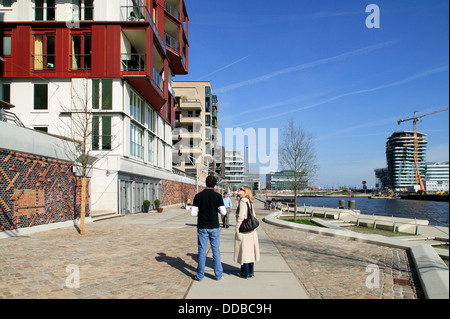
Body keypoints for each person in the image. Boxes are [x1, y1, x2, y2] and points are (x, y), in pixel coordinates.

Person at [191, 176, 227, 281]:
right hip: (214, 226)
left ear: (205, 183)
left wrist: (201, 213)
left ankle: (200, 275)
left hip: (202, 226)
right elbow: (223, 212)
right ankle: (218, 275)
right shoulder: (218, 196)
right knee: (216, 251)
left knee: (202, 251)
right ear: (215, 184)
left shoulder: (198, 196)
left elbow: (193, 213)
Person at [234, 186, 260, 279]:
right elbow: (253, 215)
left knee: (244, 251)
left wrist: (237, 230)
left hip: (244, 230)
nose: (239, 190)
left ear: (245, 192)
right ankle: (250, 272)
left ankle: (244, 273)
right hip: (251, 230)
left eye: (241, 189)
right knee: (250, 252)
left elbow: (241, 217)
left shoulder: (242, 202)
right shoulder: (249, 201)